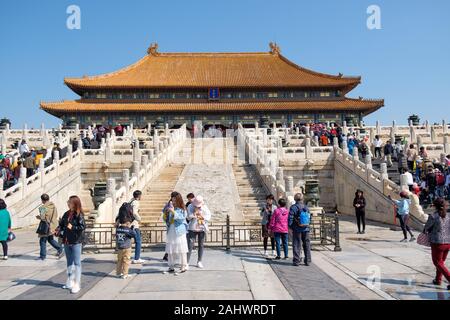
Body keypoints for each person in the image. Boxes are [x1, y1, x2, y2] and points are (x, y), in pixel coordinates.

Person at [56, 196, 85, 294]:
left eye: (69, 201)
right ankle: (70, 280)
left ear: (74, 203)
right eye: (68, 201)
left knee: (77, 263)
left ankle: (77, 283)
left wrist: (72, 227)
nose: (67, 203)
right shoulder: (66, 213)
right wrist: (58, 229)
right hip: (66, 241)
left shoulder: (79, 215)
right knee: (69, 262)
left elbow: (82, 227)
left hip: (76, 241)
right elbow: (62, 225)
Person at [424, 198, 450, 290]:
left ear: (435, 206)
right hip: (448, 242)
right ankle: (438, 279)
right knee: (441, 262)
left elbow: (426, 228)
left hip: (437, 242)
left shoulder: (433, 216)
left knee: (438, 262)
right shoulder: (448, 216)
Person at [163, 192, 189, 274]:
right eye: (172, 200)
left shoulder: (182, 209)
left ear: (178, 200)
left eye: (175, 200)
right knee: (171, 249)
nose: (173, 202)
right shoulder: (170, 207)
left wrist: (173, 212)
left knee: (181, 249)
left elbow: (181, 219)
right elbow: (166, 220)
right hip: (171, 229)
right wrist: (166, 213)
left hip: (179, 230)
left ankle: (183, 266)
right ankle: (171, 267)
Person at [187, 195, 211, 268]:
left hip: (201, 227)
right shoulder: (190, 206)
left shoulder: (204, 207)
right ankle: (186, 262)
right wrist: (193, 215)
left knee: (201, 245)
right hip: (192, 228)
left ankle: (199, 261)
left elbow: (208, 215)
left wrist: (201, 216)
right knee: (190, 245)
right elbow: (188, 217)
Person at [36, 194, 63, 260]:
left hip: (46, 226)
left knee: (42, 240)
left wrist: (38, 217)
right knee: (50, 239)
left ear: (42, 200)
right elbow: (56, 215)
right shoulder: (53, 206)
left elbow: (42, 218)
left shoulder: (43, 208)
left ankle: (42, 256)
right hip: (53, 225)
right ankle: (60, 249)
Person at [289, 193, 311, 266]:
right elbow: (310, 218)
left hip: (297, 229)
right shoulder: (306, 207)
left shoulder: (293, 207)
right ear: (302, 199)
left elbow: (290, 218)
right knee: (307, 245)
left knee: (296, 244)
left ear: (295, 199)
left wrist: (290, 227)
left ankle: (296, 260)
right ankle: (307, 260)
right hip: (306, 228)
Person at [129, 190, 144, 264]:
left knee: (129, 241)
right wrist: (139, 219)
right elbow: (134, 212)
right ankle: (137, 258)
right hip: (134, 224)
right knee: (138, 241)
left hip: (129, 224)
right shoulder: (136, 202)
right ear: (139, 196)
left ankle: (126, 256)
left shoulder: (131, 201)